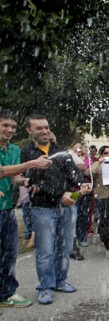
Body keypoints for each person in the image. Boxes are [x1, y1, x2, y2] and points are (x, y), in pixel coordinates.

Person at [21, 114, 89, 305]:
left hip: (67, 208)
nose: (44, 131)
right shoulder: (27, 154)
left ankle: (60, 281)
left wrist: (78, 188)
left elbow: (75, 176)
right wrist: (60, 194)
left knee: (65, 247)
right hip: (43, 209)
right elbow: (35, 182)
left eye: (46, 127)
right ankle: (45, 287)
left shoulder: (61, 151)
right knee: (45, 250)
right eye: (39, 128)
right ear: (29, 131)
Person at [0, 110, 52, 308]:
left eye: (12, 127)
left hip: (7, 209)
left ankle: (7, 293)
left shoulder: (13, 150)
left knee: (10, 253)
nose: (9, 130)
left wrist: (27, 181)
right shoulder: (24, 156)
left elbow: (13, 178)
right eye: (5, 125)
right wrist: (32, 163)